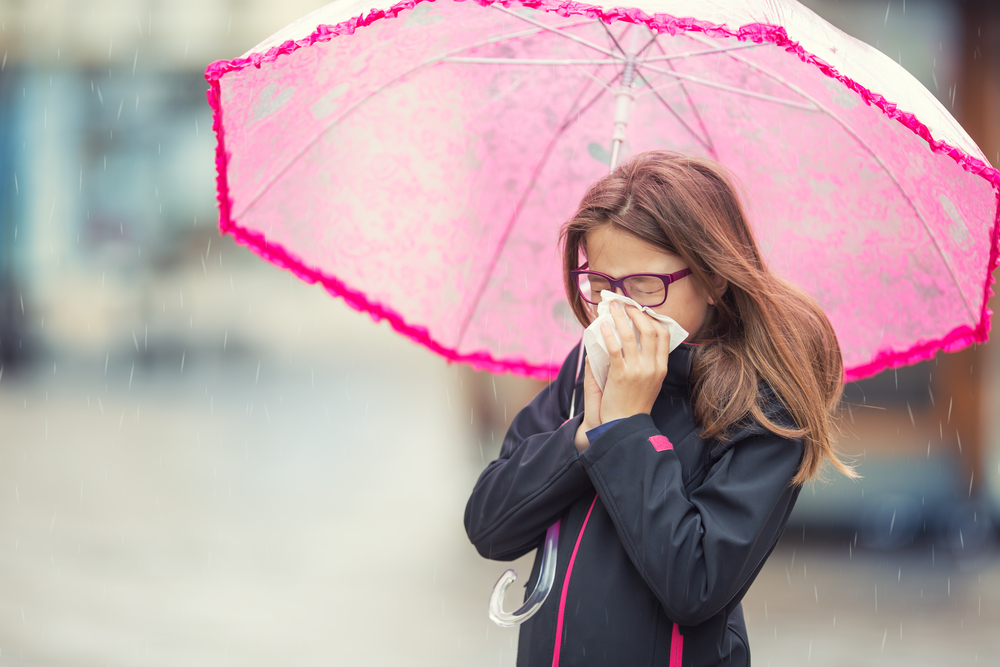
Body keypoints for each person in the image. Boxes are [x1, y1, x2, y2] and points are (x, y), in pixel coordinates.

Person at [464, 151, 856, 667]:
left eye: (645, 287)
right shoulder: (587, 365)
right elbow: (489, 525)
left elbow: (694, 586)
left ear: (714, 278)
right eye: (601, 286)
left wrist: (627, 429)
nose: (619, 309)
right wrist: (583, 436)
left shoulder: (763, 406)